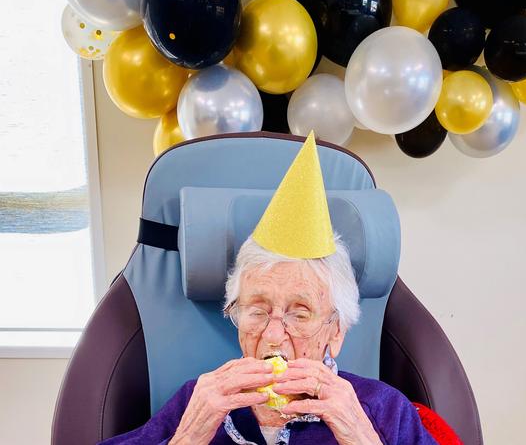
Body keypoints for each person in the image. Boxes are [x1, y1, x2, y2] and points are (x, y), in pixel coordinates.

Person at [99, 133, 438, 445]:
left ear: (336, 331)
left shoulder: (382, 409)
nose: (274, 336)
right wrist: (189, 435)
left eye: (300, 313)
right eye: (257, 311)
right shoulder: (199, 401)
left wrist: (361, 435)